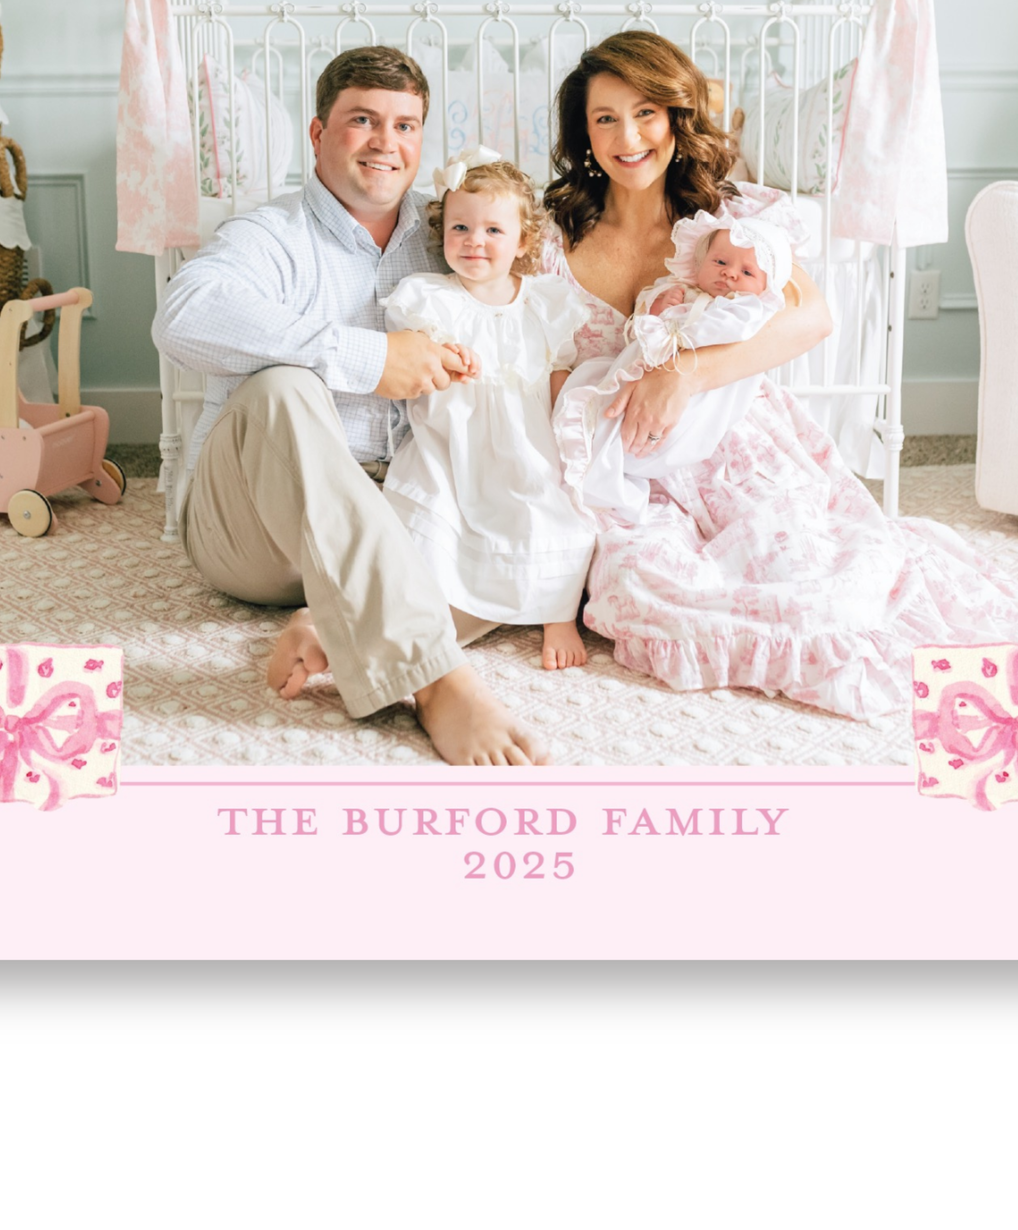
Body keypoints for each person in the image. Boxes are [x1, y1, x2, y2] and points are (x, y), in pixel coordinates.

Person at [537, 30, 1018, 722]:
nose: (629, 135)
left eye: (646, 112)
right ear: (583, 133)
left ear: (677, 116)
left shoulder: (731, 218)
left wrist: (683, 373)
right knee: (650, 590)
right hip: (624, 466)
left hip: (734, 439)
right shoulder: (553, 235)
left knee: (818, 581)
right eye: (605, 118)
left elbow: (812, 318)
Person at [152, 46, 547, 765]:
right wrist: (370, 360)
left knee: (520, 530)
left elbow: (541, 302)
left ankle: (337, 626)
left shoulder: (456, 232)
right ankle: (433, 680)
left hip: (405, 515)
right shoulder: (269, 236)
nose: (385, 143)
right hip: (256, 529)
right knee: (282, 386)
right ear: (318, 133)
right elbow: (181, 318)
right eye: (362, 121)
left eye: (404, 126)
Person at [381, 147, 596, 671]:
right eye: (460, 228)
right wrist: (447, 355)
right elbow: (410, 358)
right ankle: (437, 608)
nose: (474, 241)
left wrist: (572, 424)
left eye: (493, 231)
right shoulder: (430, 298)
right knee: (428, 516)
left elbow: (560, 370)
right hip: (453, 444)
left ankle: (557, 613)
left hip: (526, 440)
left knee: (553, 511)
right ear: (442, 233)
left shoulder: (544, 301)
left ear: (523, 241)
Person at [554, 206, 801, 520]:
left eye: (747, 272)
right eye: (720, 262)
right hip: (638, 377)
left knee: (637, 436)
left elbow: (721, 337)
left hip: (696, 399)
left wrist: (677, 329)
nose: (729, 273)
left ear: (766, 286)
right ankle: (601, 466)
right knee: (593, 393)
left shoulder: (747, 310)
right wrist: (658, 310)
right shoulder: (683, 292)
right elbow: (638, 332)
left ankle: (614, 478)